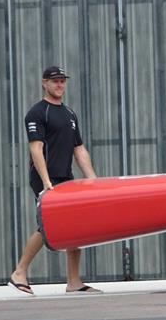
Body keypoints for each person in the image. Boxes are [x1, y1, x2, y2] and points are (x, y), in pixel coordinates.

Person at [8, 66, 102, 295]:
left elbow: (79, 149)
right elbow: (36, 149)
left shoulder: (69, 113)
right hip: (45, 178)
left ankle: (74, 282)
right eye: (55, 81)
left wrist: (93, 180)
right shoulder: (38, 113)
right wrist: (46, 181)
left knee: (75, 226)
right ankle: (19, 272)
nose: (60, 85)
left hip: (65, 176)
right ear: (44, 83)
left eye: (62, 81)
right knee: (47, 226)